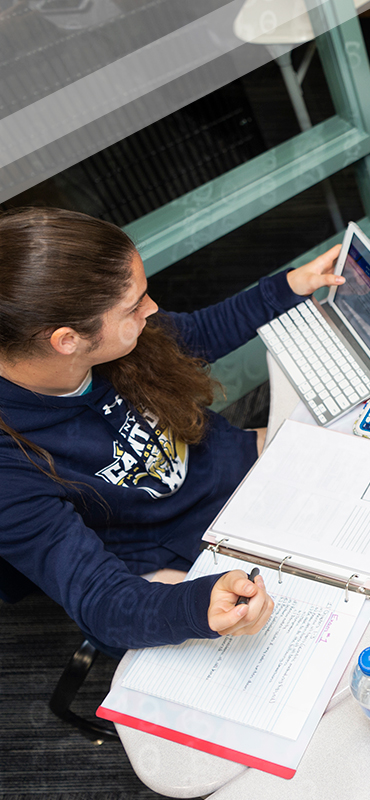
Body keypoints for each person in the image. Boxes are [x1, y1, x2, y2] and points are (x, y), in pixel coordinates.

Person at [0, 207, 344, 653]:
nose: (152, 308)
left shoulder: (124, 334)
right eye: (135, 305)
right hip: (177, 550)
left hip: (224, 462)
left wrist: (286, 288)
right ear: (68, 341)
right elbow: (101, 601)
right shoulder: (10, 463)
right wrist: (195, 604)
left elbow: (196, 333)